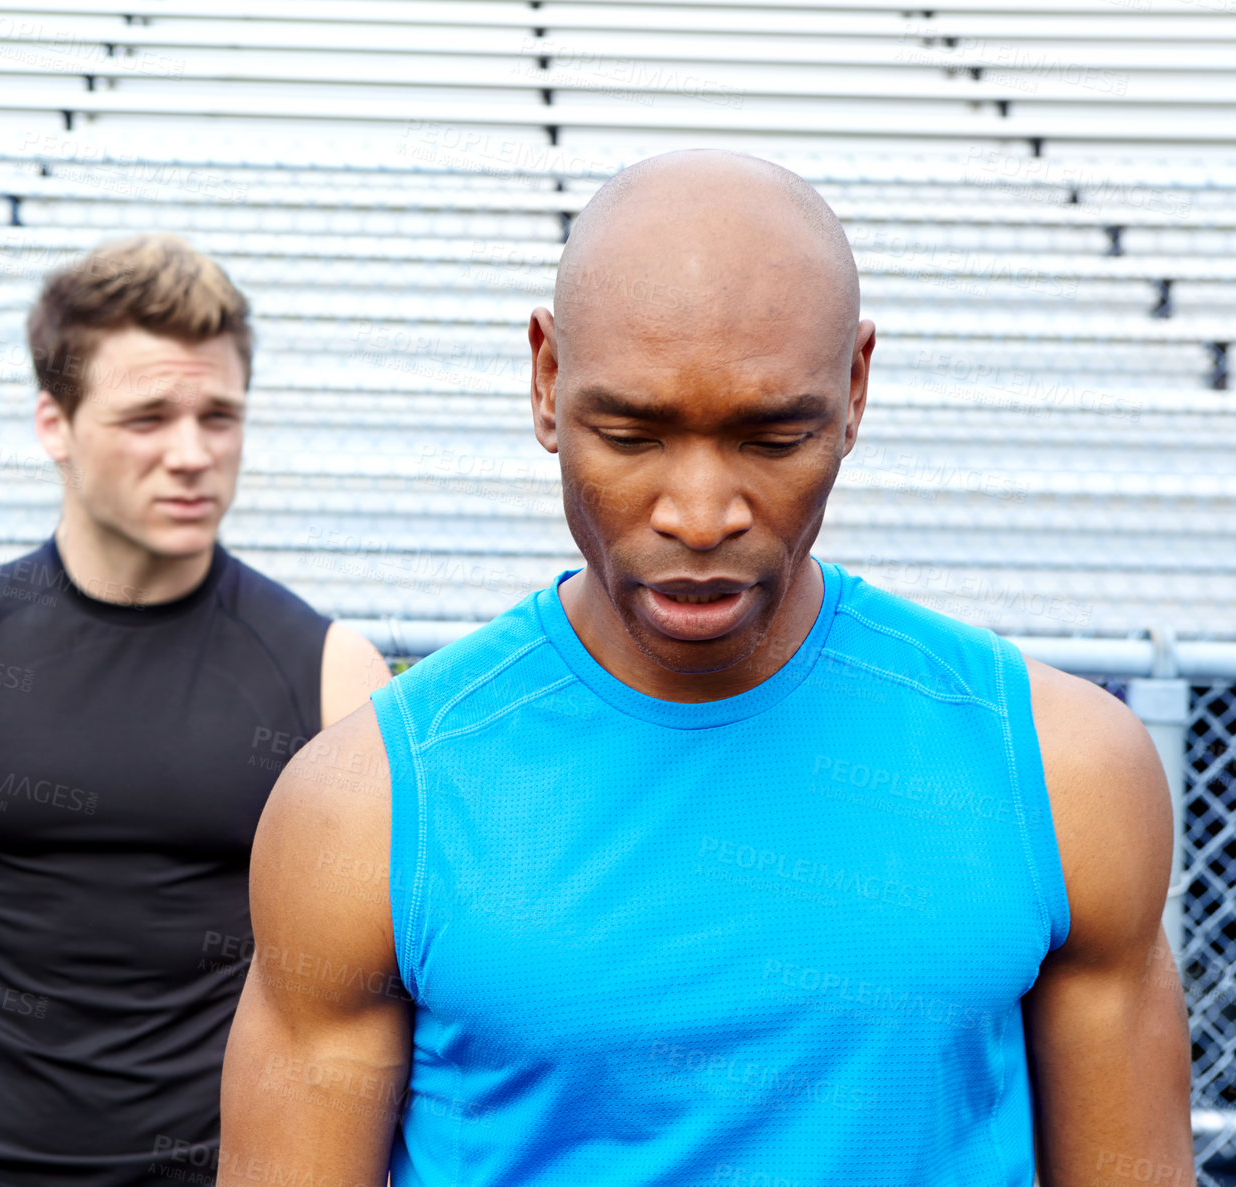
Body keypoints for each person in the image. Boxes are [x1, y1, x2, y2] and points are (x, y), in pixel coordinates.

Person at [215, 151, 1192, 1186]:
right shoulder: (366, 804)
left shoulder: (1062, 768)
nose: (699, 512)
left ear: (855, 389)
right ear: (547, 381)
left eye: (773, 436)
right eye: (631, 433)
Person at [0, 234, 391, 1187]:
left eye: (217, 416)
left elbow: (364, 1008)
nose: (192, 454)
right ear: (53, 422)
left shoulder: (331, 679)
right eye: (147, 417)